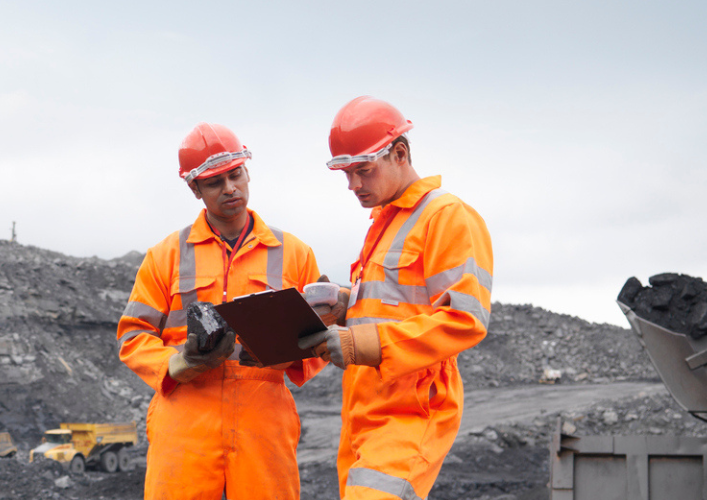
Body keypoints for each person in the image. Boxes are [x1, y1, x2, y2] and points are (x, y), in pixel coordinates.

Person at [117, 122, 329, 500]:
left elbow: (319, 337)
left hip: (264, 419)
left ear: (247, 172)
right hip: (185, 418)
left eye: (236, 175)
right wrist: (177, 363)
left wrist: (283, 357)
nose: (230, 188)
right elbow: (132, 337)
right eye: (215, 182)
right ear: (194, 188)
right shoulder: (166, 255)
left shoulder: (294, 253)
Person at [300, 96, 495, 500]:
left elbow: (465, 319)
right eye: (347, 174)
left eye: (363, 171)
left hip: (410, 411)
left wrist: (359, 342)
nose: (353, 185)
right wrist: (344, 305)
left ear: (400, 153)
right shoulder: (386, 225)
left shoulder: (446, 216)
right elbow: (393, 305)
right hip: (363, 411)